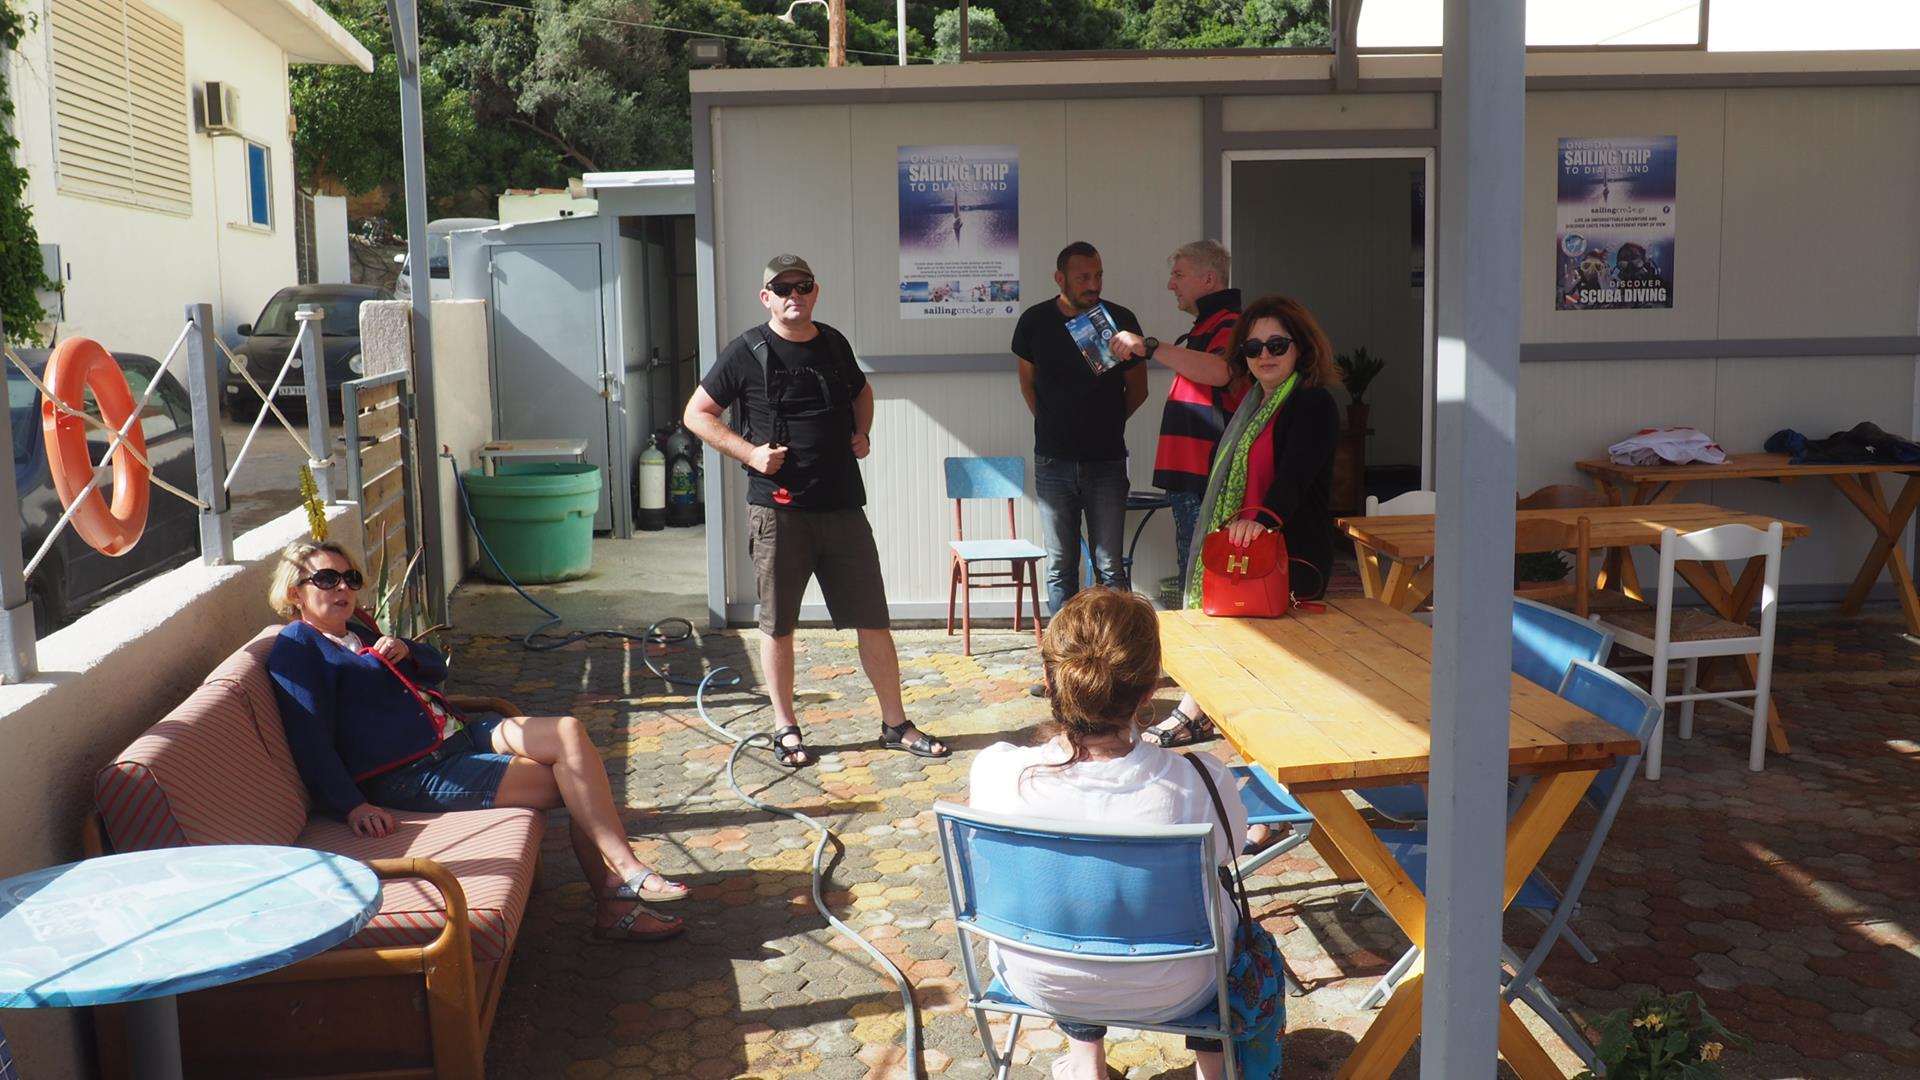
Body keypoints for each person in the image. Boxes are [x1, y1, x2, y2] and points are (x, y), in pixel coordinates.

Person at [265, 539, 688, 943]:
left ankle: (622, 877)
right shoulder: (298, 648)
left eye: (350, 578)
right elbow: (308, 737)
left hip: (456, 734)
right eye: (327, 579)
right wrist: (351, 804)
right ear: (294, 592)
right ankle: (620, 892)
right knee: (576, 783)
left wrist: (408, 651)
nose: (342, 588)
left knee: (569, 733)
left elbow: (436, 668)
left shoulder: (358, 632)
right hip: (414, 772)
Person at [969, 588, 1248, 1080]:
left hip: (1038, 978)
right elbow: (1233, 849)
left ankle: (1085, 1061)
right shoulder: (1199, 780)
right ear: (1149, 692)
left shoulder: (995, 771)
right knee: (1215, 896)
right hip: (1178, 986)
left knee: (1065, 893)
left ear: (1049, 679)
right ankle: (1214, 1063)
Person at [684, 254, 949, 768]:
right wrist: (750, 454)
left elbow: (862, 391)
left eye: (802, 286)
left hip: (843, 507)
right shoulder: (745, 350)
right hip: (779, 512)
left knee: (873, 620)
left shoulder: (833, 343)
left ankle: (895, 724)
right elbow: (697, 414)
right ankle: (785, 727)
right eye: (782, 288)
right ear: (766, 297)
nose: (793, 296)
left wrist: (862, 432)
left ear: (815, 290)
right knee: (778, 625)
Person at [1146, 294, 1342, 749]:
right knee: (1229, 642)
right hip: (1241, 553)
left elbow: (1295, 477)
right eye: (1253, 348)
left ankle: (1220, 726)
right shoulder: (1251, 405)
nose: (1265, 355)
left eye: (1277, 344)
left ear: (1301, 347)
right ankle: (1203, 712)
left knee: (1274, 664)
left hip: (1285, 556)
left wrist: (1262, 521)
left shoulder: (1312, 403)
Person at [1013, 241, 1149, 616]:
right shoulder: (1034, 322)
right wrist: (1054, 424)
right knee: (1061, 567)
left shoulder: (1120, 320)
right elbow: (1028, 385)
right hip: (1052, 463)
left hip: (1106, 462)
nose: (1094, 285)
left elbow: (1139, 390)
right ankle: (1065, 648)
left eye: (1098, 275)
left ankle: (1117, 646)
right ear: (1060, 279)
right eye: (1083, 277)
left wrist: (1107, 424)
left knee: (1110, 567)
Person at [1106, 240, 1248, 589]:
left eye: (1179, 275)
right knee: (1193, 570)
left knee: (1202, 575)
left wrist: (1149, 346)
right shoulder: (1206, 324)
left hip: (1205, 478)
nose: (1171, 284)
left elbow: (1220, 371)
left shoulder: (1231, 323)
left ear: (1209, 279)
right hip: (1191, 477)